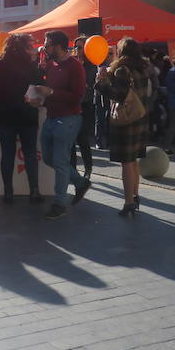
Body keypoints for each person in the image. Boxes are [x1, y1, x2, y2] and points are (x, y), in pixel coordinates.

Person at [0, 33, 43, 204]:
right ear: (24, 47)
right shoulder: (32, 65)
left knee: (7, 154)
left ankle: (8, 192)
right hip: (27, 113)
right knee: (30, 154)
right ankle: (34, 190)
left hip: (5, 114)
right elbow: (40, 86)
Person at [33, 30, 90, 220]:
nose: (45, 47)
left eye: (47, 44)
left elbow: (77, 96)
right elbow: (49, 93)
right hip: (52, 117)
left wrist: (51, 93)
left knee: (60, 161)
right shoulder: (51, 65)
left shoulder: (74, 66)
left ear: (57, 46)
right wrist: (40, 100)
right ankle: (80, 182)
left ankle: (59, 203)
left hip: (68, 119)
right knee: (50, 158)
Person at [95, 37, 150, 217]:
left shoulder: (121, 70)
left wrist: (101, 83)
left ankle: (128, 202)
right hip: (140, 117)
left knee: (126, 162)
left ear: (121, 51)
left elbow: (118, 95)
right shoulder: (142, 69)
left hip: (126, 120)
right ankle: (135, 195)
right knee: (133, 161)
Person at [72, 37, 96, 179]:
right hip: (72, 106)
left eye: (80, 47)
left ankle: (88, 169)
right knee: (71, 141)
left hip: (85, 106)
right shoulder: (73, 64)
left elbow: (89, 87)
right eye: (76, 47)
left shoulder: (92, 66)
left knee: (82, 139)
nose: (78, 50)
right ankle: (73, 171)